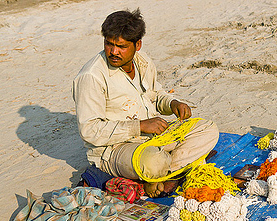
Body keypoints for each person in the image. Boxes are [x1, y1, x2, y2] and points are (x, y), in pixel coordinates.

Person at [73, 9, 219, 197]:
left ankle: (162, 174)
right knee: (153, 162)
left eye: (121, 46)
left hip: (155, 137)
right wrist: (139, 126)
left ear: (137, 45)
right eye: (109, 44)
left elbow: (155, 94)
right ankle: (170, 169)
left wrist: (172, 104)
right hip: (116, 149)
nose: (113, 52)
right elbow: (90, 131)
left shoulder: (143, 62)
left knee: (208, 129)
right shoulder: (91, 77)